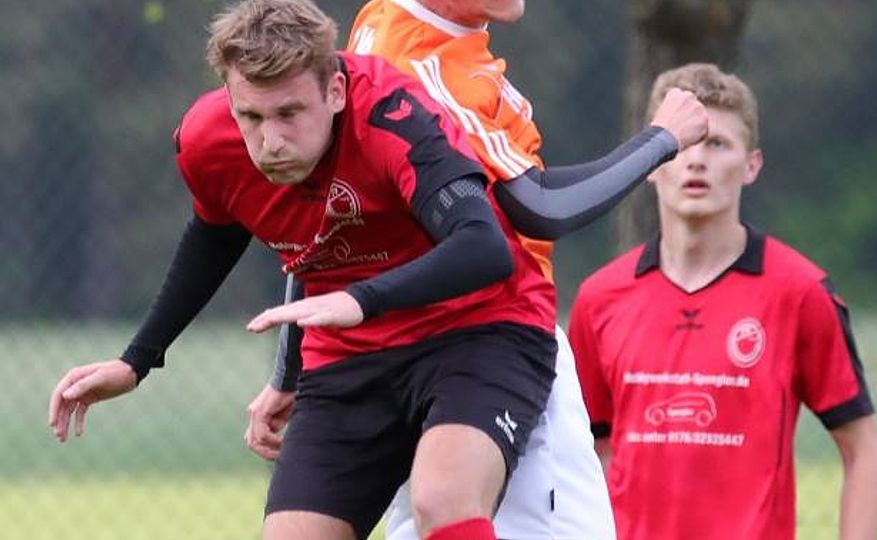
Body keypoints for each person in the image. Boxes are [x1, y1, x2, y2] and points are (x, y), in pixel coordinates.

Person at [47, 1, 566, 539]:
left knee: (443, 499)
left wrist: (360, 299)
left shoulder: (392, 113)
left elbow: (483, 246)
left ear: (336, 91)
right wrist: (136, 361)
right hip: (349, 354)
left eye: (289, 114)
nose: (269, 142)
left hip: (480, 328)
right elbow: (217, 232)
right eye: (251, 117)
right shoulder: (209, 140)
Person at [242, 1, 709, 539]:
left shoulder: (383, 20)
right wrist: (662, 139)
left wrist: (288, 371)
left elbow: (334, 219)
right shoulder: (420, 63)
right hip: (487, 340)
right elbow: (540, 208)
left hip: (408, 350)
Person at [568, 62, 877, 540]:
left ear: (751, 165)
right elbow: (587, 453)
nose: (696, 161)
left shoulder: (799, 293)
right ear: (651, 163)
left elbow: (863, 448)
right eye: (680, 145)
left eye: (717, 144)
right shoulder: (600, 299)